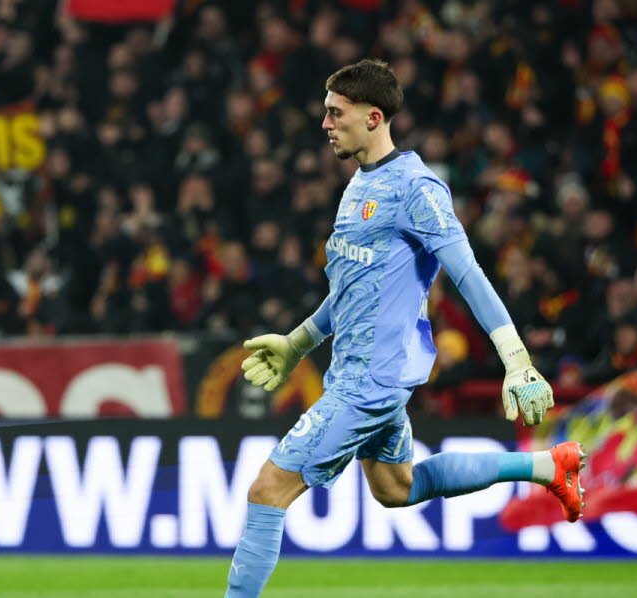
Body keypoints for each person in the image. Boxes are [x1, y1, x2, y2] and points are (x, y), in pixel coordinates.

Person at [224, 60, 586, 598]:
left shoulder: (417, 188)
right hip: (360, 373)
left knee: (267, 489)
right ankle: (547, 466)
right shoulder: (359, 184)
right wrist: (299, 341)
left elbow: (467, 273)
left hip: (370, 381)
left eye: (336, 113)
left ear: (373, 118)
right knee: (398, 487)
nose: (325, 124)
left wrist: (516, 360)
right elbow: (354, 291)